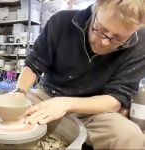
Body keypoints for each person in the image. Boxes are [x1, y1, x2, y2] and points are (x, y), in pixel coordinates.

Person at [12, 0, 145, 149]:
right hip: (47, 98)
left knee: (130, 137)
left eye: (117, 38)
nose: (104, 42)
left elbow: (116, 99)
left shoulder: (141, 43)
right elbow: (33, 65)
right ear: (96, 9)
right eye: (100, 29)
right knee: (6, 106)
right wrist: (19, 92)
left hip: (95, 111)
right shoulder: (61, 22)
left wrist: (66, 103)